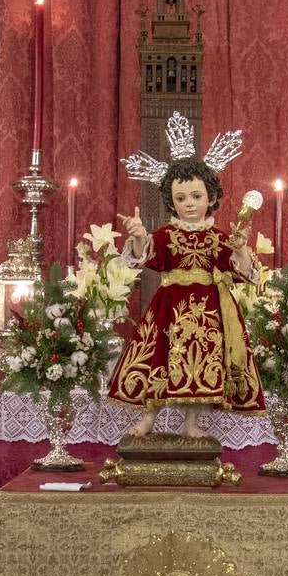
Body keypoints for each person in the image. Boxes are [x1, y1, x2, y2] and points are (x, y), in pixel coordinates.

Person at [108, 155, 265, 437]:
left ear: (211, 197)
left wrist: (241, 248)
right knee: (159, 361)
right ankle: (148, 418)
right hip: (169, 310)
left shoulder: (219, 238)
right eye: (180, 198)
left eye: (196, 196)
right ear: (171, 202)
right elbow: (144, 254)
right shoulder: (166, 235)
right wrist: (140, 235)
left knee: (201, 366)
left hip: (209, 314)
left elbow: (242, 273)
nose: (189, 203)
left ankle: (191, 423)